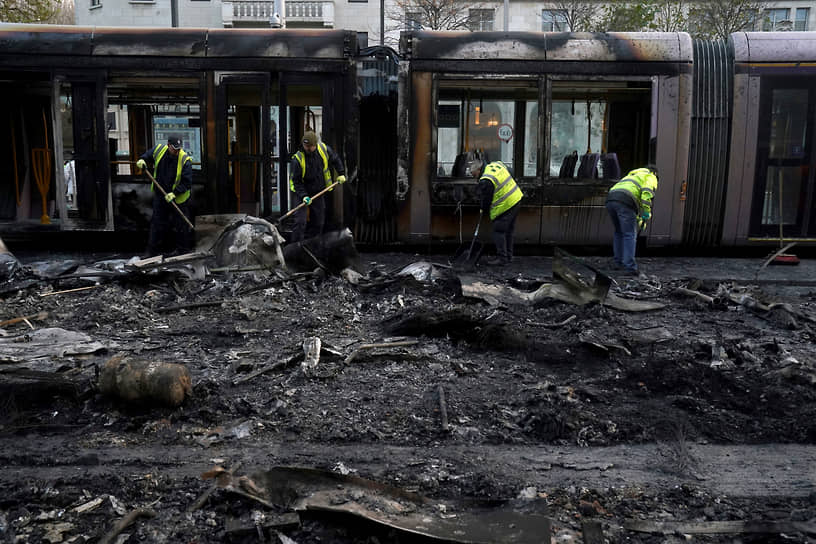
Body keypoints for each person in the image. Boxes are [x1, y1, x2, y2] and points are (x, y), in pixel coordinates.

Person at [136, 136, 194, 257]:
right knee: (157, 224)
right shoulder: (159, 150)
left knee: (181, 225)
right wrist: (142, 160)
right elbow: (147, 156)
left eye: (178, 149)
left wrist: (175, 193)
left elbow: (187, 182)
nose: (177, 152)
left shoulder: (185, 160)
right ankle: (151, 252)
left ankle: (183, 251)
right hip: (161, 195)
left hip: (178, 198)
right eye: (174, 149)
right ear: (168, 145)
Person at [288, 131, 346, 242]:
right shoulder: (297, 159)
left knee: (318, 222)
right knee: (300, 222)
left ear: (316, 145)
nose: (308, 148)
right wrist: (304, 196)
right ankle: (295, 249)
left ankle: (312, 245)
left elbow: (335, 159)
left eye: (310, 146)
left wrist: (341, 173)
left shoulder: (324, 149)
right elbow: (296, 182)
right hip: (301, 193)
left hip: (318, 191)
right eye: (306, 146)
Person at [605, 165, 659, 276]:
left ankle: (618, 262)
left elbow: (634, 204)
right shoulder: (650, 176)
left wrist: (639, 219)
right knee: (629, 234)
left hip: (611, 199)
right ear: (655, 173)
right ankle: (630, 267)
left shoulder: (632, 175)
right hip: (625, 200)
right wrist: (646, 213)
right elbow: (646, 195)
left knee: (619, 232)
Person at [474, 158, 523, 266]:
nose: (475, 177)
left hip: (506, 204)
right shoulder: (495, 164)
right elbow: (511, 171)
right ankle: (509, 256)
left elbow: (486, 200)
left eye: (474, 174)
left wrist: (483, 208)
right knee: (509, 230)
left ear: (478, 170)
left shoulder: (486, 180)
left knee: (498, 231)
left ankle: (502, 259)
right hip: (516, 199)